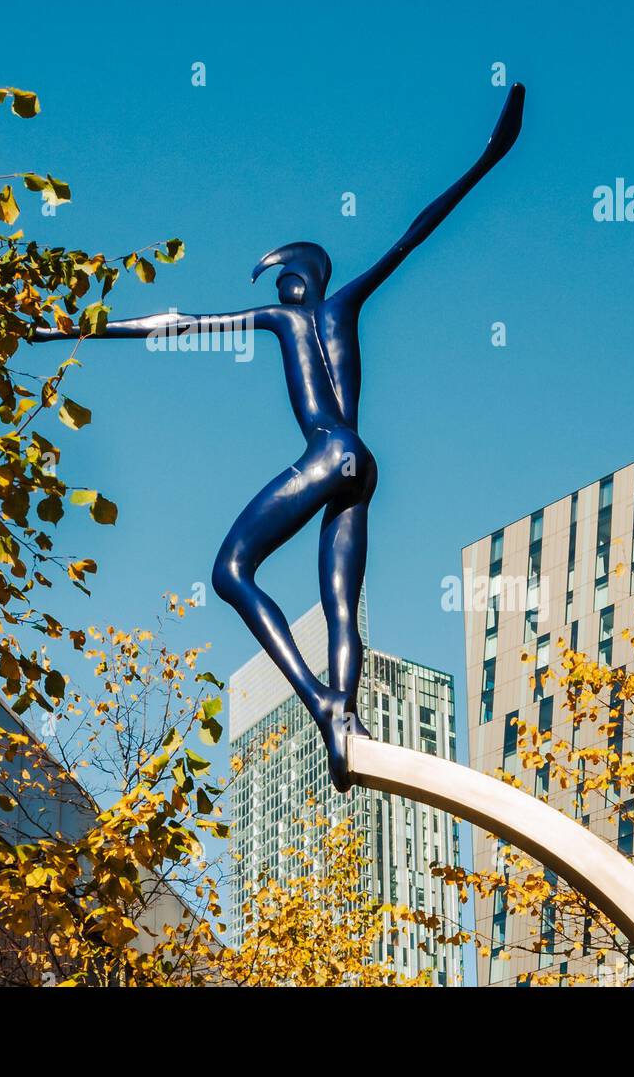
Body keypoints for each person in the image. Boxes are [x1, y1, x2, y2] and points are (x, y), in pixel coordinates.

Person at [32, 84, 525, 789]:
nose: (282, 285)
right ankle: (344, 721)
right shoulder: (348, 305)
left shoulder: (288, 320)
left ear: (301, 281)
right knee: (341, 607)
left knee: (231, 570)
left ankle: (321, 701)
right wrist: (487, 162)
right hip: (363, 461)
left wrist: (74, 328)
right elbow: (411, 239)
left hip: (327, 452)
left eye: (287, 275)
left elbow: (177, 324)